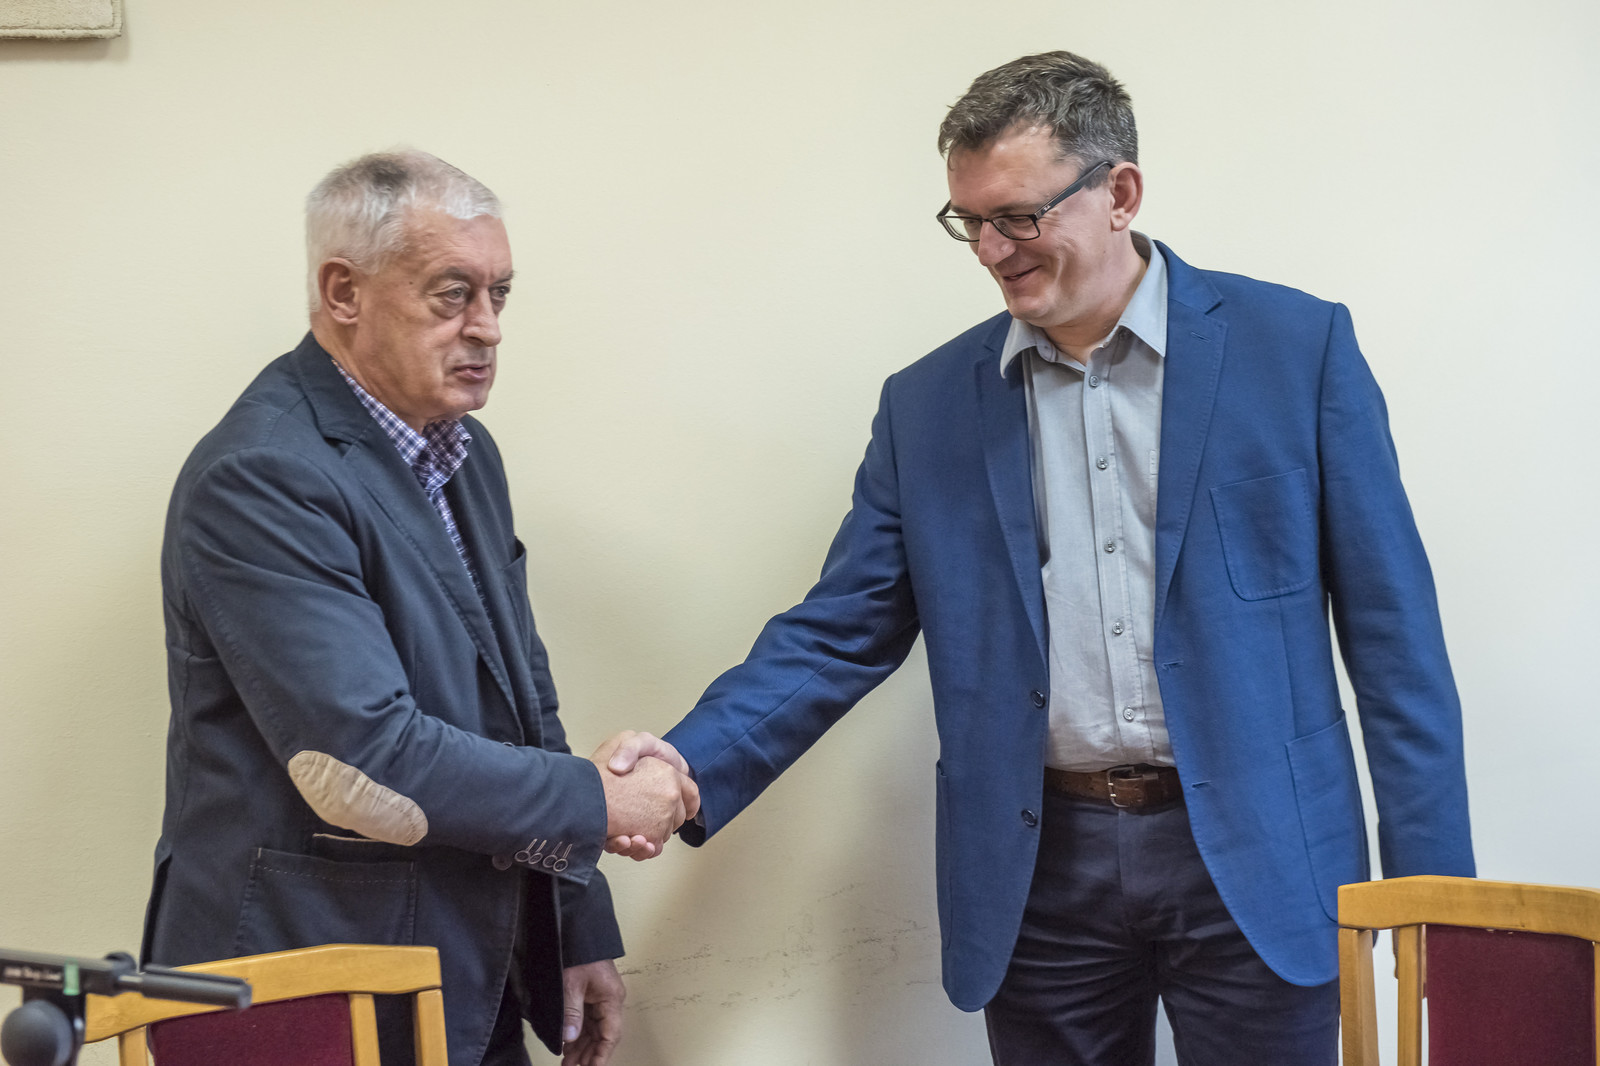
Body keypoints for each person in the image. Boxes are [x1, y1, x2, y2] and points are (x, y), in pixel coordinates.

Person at [605, 52, 1474, 1064]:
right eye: (968, 221)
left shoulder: (1297, 350)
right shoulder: (928, 407)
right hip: (1039, 875)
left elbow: (1395, 645)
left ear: (1120, 193)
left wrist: (1440, 900)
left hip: (1266, 857)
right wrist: (686, 766)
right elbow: (837, 633)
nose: (989, 250)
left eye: (1017, 216)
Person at [142, 150, 697, 1066]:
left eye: (499, 294)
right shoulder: (262, 474)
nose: (488, 327)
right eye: (452, 294)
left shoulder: (465, 453)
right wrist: (600, 801)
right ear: (344, 292)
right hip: (304, 987)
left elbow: (522, 709)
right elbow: (367, 759)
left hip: (463, 968)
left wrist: (575, 920)